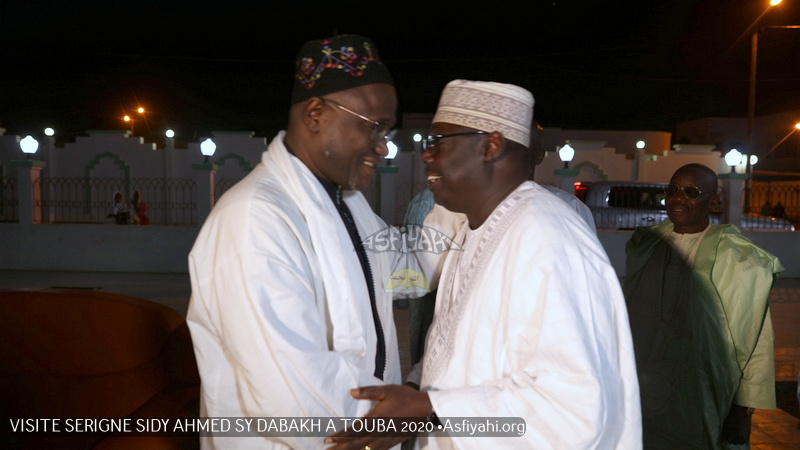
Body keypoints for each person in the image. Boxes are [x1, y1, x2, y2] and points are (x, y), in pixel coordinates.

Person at [328, 80, 641, 449]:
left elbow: (573, 408)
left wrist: (428, 409)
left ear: (490, 146)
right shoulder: (474, 227)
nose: (426, 156)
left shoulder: (546, 236)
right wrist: (414, 390)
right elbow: (458, 351)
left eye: (438, 143)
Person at [186, 34, 404, 449]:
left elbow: (401, 269)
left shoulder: (346, 204)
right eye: (373, 126)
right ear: (316, 113)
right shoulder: (254, 219)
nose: (383, 146)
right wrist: (408, 411)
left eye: (388, 129)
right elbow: (291, 388)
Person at [623, 163, 783, 448]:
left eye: (691, 192)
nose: (678, 198)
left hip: (704, 391)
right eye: (672, 190)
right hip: (645, 390)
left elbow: (755, 339)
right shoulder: (646, 245)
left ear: (714, 199)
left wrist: (744, 408)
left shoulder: (738, 258)